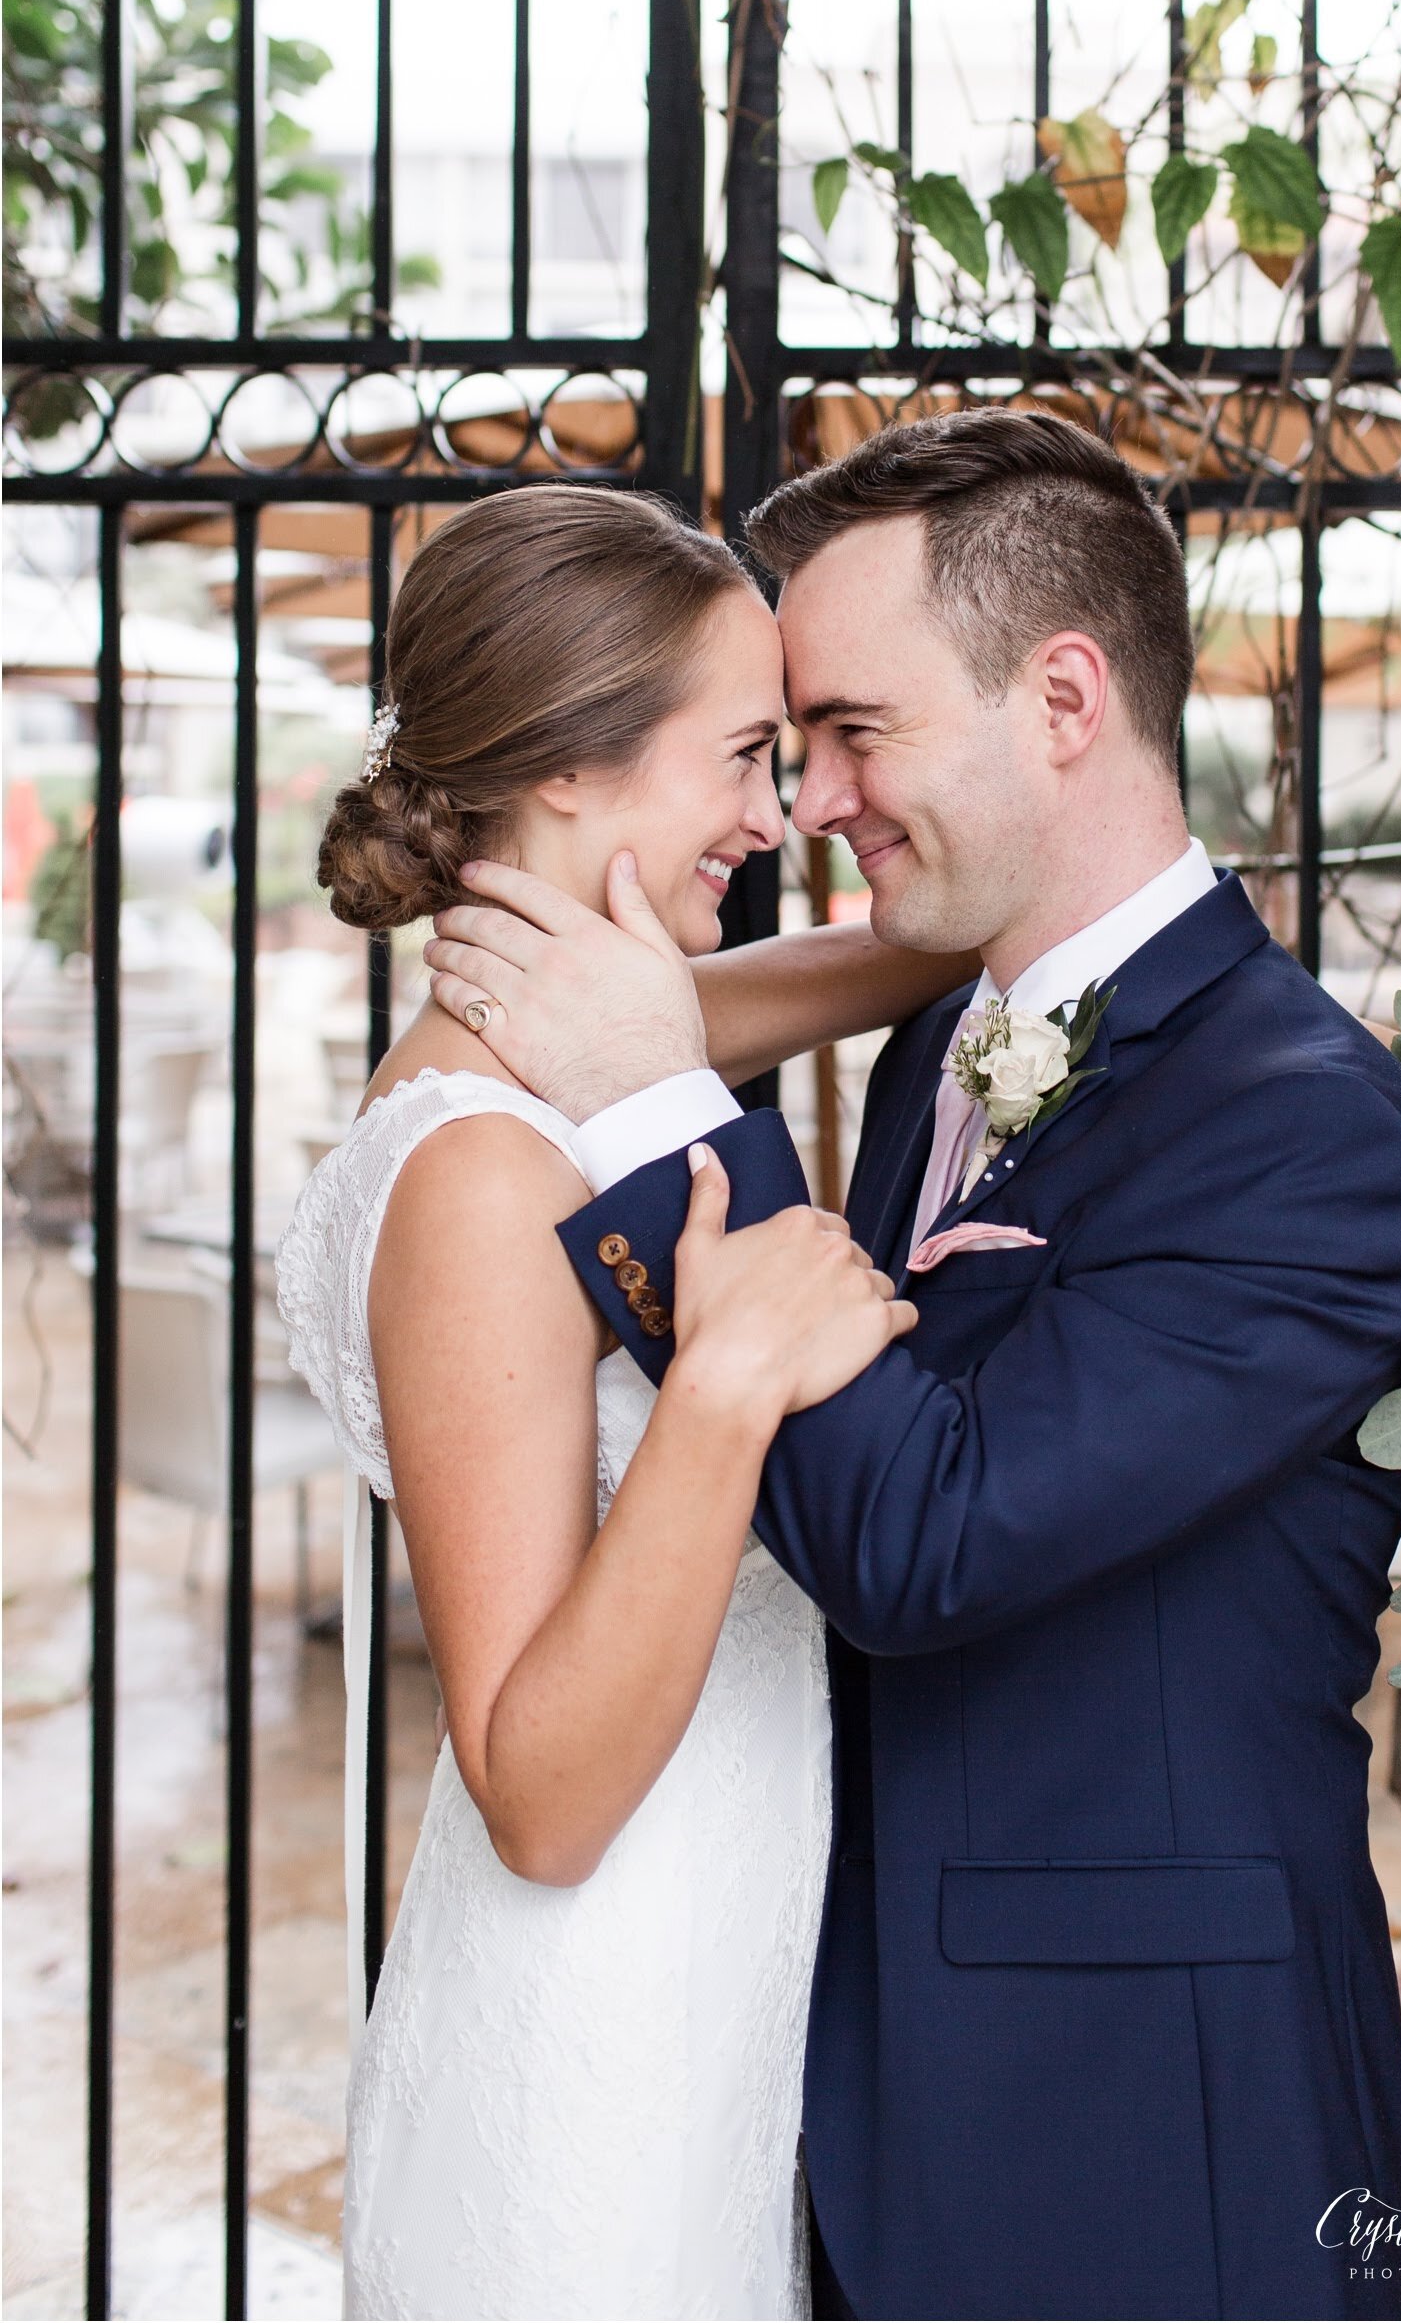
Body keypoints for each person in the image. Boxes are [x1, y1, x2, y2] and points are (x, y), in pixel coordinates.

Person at [425, 410, 1401, 2322]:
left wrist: (667, 1099)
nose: (812, 796)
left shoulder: (1308, 1127)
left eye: (853, 730)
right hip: (868, 2092)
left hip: (1157, 2129)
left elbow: (926, 1539)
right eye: (790, 743)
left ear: (1061, 696)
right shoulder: (940, 1052)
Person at [275, 483, 974, 2321]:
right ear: (574, 769)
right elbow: (541, 1791)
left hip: (705, 2007)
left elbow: (916, 943)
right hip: (596, 2069)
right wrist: (727, 1385)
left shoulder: (576, 1046)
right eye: (749, 753)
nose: (780, 812)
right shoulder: (488, 1178)